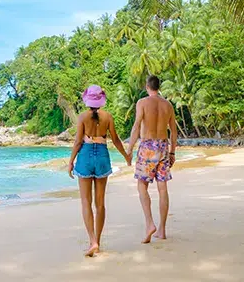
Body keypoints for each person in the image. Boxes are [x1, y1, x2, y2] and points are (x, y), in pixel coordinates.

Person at [68, 85, 131, 257]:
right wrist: (126, 156)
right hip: (102, 156)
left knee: (86, 202)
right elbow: (116, 139)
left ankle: (92, 241)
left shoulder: (82, 117)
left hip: (86, 157)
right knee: (100, 203)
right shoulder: (108, 117)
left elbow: (78, 142)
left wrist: (71, 161)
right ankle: (99, 240)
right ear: (101, 100)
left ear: (87, 100)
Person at [126, 75, 177, 243]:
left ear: (147, 87)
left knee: (142, 186)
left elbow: (136, 125)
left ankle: (149, 223)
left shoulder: (142, 103)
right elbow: (174, 131)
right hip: (162, 146)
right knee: (163, 189)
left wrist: (130, 148)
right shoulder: (167, 105)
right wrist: (172, 153)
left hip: (147, 147)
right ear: (159, 86)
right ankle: (162, 230)